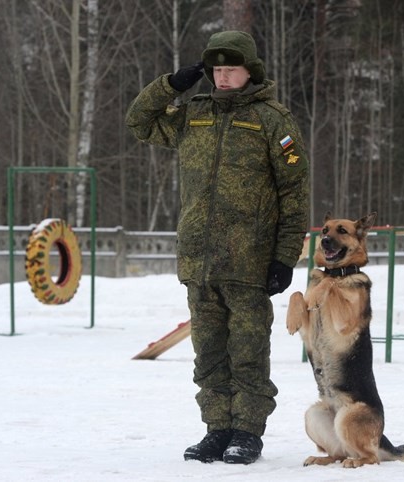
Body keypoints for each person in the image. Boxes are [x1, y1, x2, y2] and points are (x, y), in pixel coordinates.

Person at [125, 31, 309, 465]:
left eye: (232, 68)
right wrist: (171, 85)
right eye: (217, 70)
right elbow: (139, 121)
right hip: (199, 259)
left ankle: (247, 431)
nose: (224, 77)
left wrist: (285, 256)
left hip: (250, 260)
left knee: (247, 352)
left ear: (251, 70)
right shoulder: (194, 114)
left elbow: (295, 194)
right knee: (208, 353)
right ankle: (217, 428)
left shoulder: (272, 120)